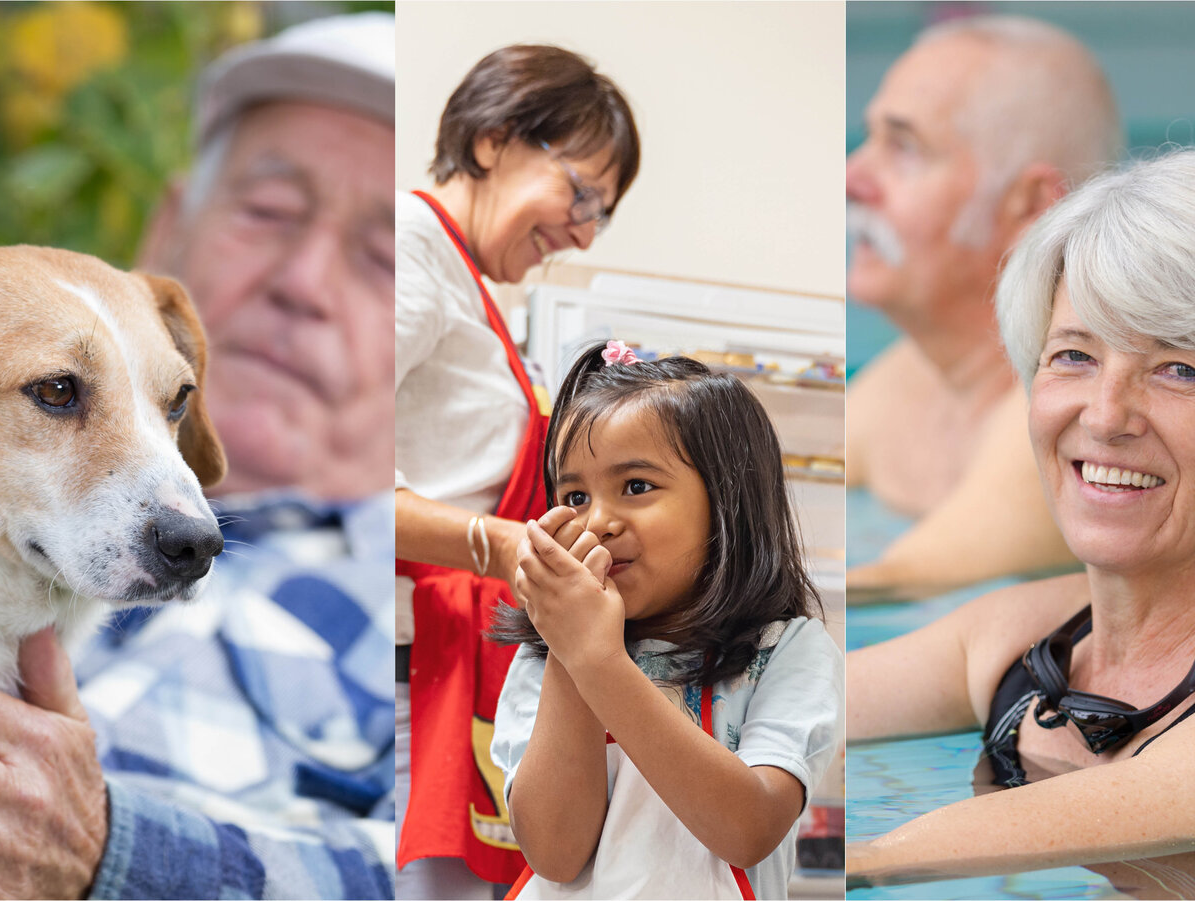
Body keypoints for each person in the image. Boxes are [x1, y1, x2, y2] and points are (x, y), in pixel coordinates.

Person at [0, 13, 397, 900]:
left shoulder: (453, 600)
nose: (305, 279)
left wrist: (121, 856)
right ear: (167, 229)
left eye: (383, 258)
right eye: (268, 211)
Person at [847, 150, 1195, 891]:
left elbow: (886, 858)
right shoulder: (1019, 637)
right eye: (1073, 355)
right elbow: (792, 696)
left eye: (1180, 369)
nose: (1104, 417)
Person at [394, 44, 640, 898]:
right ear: (495, 140)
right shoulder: (411, 255)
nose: (579, 231)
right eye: (580, 194)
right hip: (406, 665)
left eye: (601, 217)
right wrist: (502, 547)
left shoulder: (466, 280)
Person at [486, 344, 840, 900]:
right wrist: (570, 649)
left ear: (728, 503)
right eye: (574, 496)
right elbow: (554, 852)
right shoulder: (544, 656)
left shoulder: (787, 648)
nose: (597, 522)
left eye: (635, 487)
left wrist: (600, 660)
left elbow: (748, 830)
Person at [845, 16, 1122, 600]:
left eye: (904, 147)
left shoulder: (1068, 422)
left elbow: (890, 589)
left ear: (1029, 208)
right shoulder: (901, 381)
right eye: (868, 139)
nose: (852, 178)